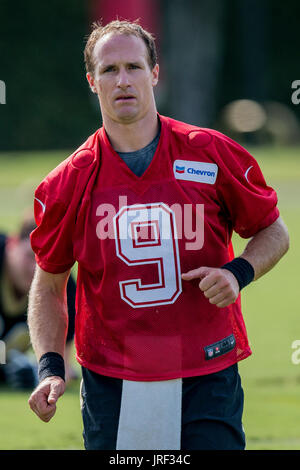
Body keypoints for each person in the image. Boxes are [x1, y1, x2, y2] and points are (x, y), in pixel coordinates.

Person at [27, 20, 289, 450]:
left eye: (134, 66)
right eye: (110, 70)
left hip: (206, 368)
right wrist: (51, 367)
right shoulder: (67, 182)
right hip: (112, 375)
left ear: (155, 73)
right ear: (93, 82)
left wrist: (238, 272)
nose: (123, 80)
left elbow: (272, 229)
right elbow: (49, 283)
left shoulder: (210, 152)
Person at [0, 212, 77, 389]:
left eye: (43, 260)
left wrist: (37, 374)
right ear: (12, 245)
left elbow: (64, 369)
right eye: (29, 255)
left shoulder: (61, 287)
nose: (35, 268)